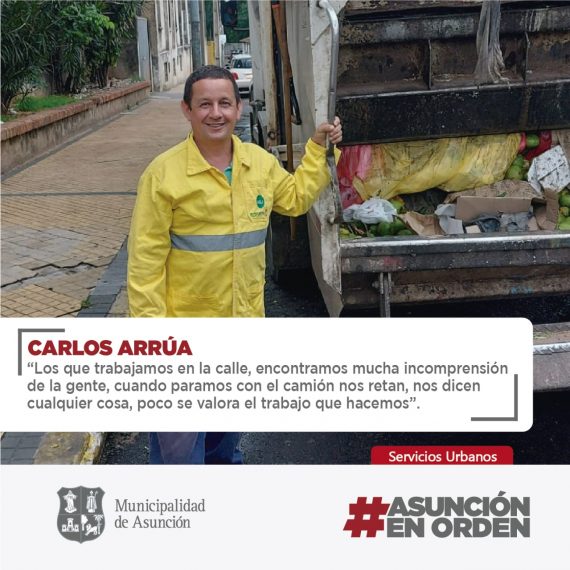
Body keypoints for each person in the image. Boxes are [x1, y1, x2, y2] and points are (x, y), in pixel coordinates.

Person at [127, 65, 342, 464]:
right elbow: (145, 265)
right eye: (204, 104)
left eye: (225, 103)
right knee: (179, 460)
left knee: (225, 449)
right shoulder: (163, 175)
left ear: (238, 109)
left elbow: (295, 198)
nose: (216, 113)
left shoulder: (258, 165)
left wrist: (318, 149)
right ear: (187, 110)